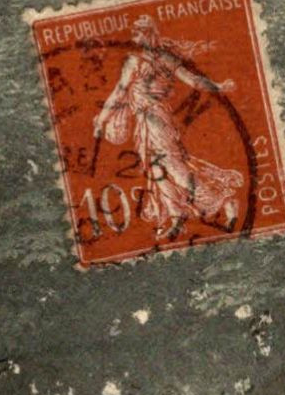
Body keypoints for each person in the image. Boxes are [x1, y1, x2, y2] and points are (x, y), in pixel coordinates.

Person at [92, 14, 243, 241]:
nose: (135, 37)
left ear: (149, 33)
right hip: (146, 121)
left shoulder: (143, 60)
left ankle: (222, 201)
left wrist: (219, 87)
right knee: (155, 170)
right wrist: (101, 119)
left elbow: (192, 80)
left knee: (174, 168)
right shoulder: (155, 58)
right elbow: (120, 91)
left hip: (155, 120)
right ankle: (176, 217)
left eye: (139, 32)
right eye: (133, 33)